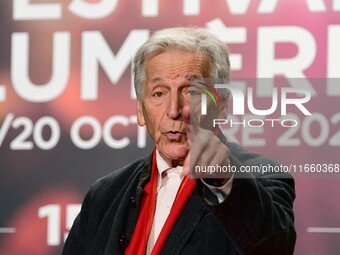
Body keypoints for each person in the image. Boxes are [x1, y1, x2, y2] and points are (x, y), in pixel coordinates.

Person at [62, 27, 296, 255]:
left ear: (222, 106)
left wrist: (224, 179)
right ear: (141, 111)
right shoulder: (104, 195)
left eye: (191, 92)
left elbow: (274, 248)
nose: (174, 110)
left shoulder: (260, 175)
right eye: (159, 93)